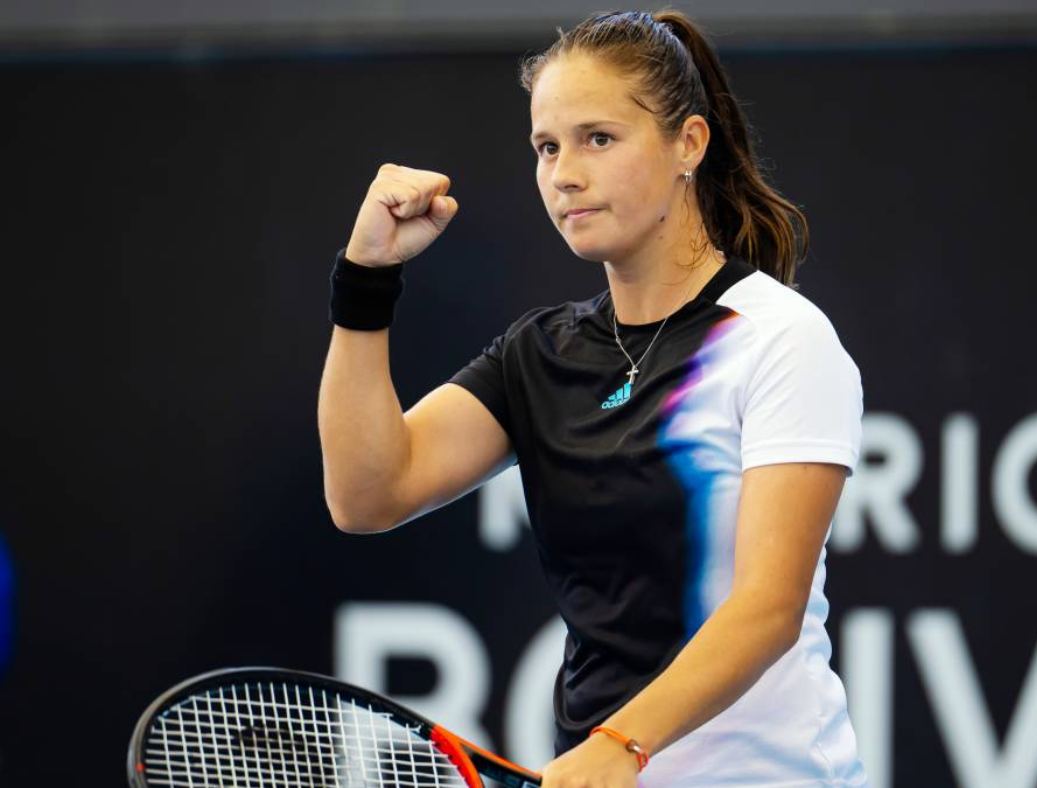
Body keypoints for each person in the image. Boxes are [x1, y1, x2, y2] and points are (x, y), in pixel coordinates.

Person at [319, 9, 866, 787]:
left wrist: (621, 744)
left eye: (598, 139)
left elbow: (768, 607)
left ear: (689, 144)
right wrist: (365, 281)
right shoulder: (538, 355)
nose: (564, 174)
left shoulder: (781, 338)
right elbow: (367, 494)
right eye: (547, 147)